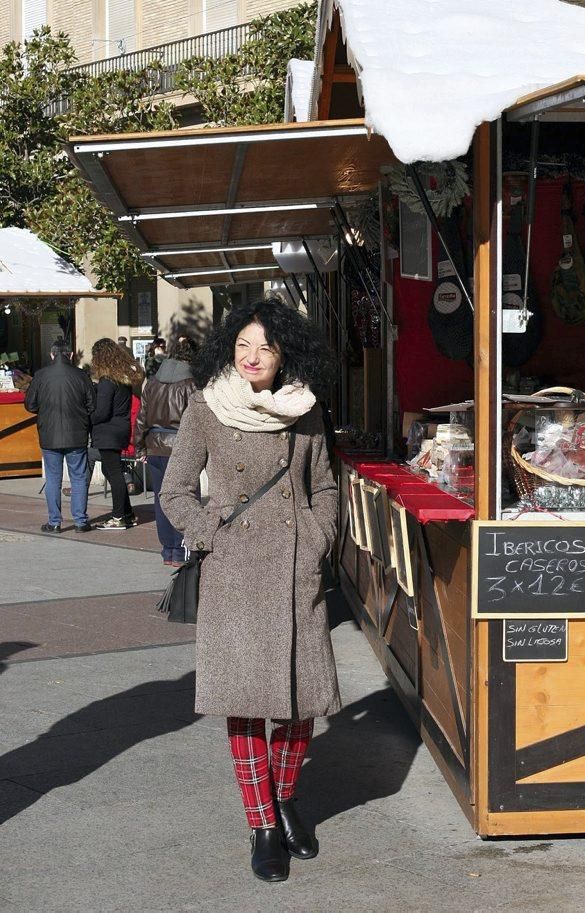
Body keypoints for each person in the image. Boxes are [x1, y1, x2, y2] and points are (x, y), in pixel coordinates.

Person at [160, 299, 339, 884]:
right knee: (244, 705)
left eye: (264, 346)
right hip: (233, 575)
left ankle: (285, 800)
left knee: (299, 701)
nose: (252, 357)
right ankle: (262, 826)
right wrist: (213, 532)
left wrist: (315, 538)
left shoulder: (304, 410)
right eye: (242, 345)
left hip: (294, 573)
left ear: (285, 352)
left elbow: (324, 488)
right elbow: (175, 492)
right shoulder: (207, 408)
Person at [134, 337, 197, 565]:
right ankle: (182, 549)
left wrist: (139, 447)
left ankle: (168, 550)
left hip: (155, 446)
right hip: (182, 447)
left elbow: (141, 418)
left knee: (162, 501)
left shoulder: (153, 382)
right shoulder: (191, 384)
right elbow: (197, 419)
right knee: (185, 499)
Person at [24, 339, 96, 534]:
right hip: (76, 434)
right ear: (71, 355)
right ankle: (80, 521)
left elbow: (30, 405)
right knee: (79, 477)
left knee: (53, 478)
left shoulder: (41, 375)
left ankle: (54, 521)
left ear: (51, 354)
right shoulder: (81, 375)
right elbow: (92, 405)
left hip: (50, 435)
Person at [90, 338, 144, 530]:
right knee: (111, 470)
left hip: (108, 431)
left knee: (113, 472)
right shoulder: (123, 380)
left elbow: (102, 412)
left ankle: (118, 516)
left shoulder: (107, 381)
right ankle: (127, 513)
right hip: (120, 427)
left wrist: (89, 417)